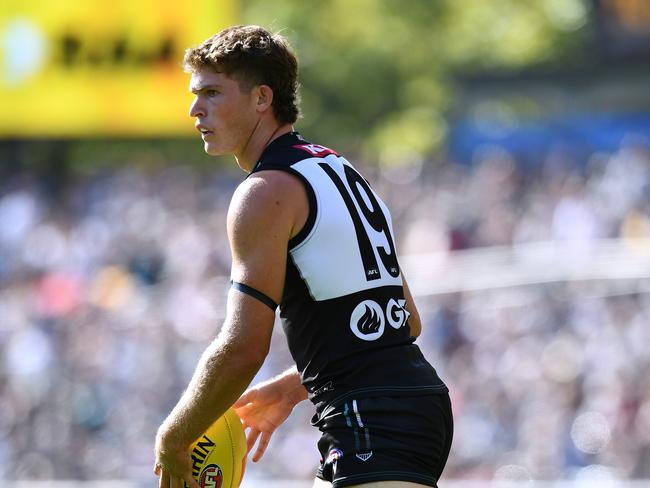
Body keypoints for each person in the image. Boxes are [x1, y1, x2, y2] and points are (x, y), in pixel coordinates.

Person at [153, 25, 453, 488]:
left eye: (212, 93)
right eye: (195, 95)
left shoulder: (264, 192)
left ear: (261, 98)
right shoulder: (336, 168)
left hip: (373, 415)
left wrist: (174, 437)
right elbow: (406, 321)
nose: (195, 109)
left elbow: (243, 347)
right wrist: (294, 387)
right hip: (403, 404)